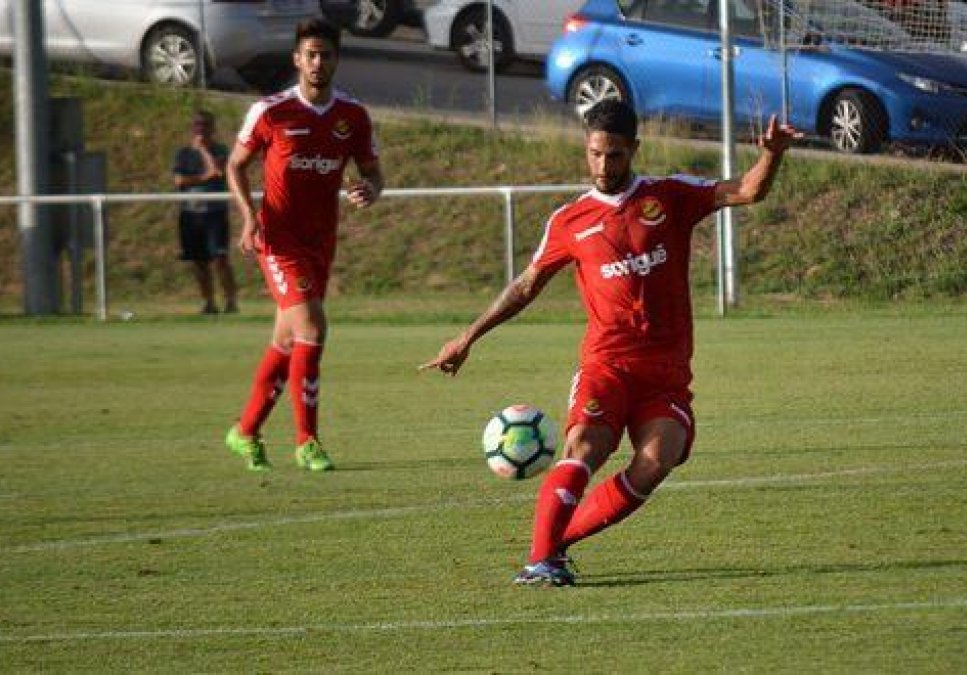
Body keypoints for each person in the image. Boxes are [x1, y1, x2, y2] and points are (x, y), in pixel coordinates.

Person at [422, 99, 801, 586]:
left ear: (634, 150)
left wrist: (771, 154)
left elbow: (748, 190)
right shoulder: (570, 221)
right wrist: (467, 336)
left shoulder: (670, 196)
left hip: (665, 376)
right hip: (608, 365)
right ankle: (540, 562)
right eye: (596, 154)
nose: (604, 165)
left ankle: (553, 546)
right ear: (587, 150)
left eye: (615, 155)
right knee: (583, 448)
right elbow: (525, 286)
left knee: (657, 460)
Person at [223, 18, 383, 472]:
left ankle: (246, 431)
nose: (317, 62)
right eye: (310, 54)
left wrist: (370, 189)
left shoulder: (352, 117)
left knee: (287, 340)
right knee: (312, 328)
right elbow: (234, 166)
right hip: (278, 239)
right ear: (297, 59)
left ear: (336, 60)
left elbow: (373, 172)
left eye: (326, 54)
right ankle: (306, 441)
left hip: (320, 242)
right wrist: (249, 217)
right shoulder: (271, 112)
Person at [172, 109, 238, 315]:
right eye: (197, 124)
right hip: (191, 214)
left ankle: (231, 301)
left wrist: (203, 151)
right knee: (199, 262)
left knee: (220, 259)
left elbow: (218, 173)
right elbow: (180, 180)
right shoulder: (183, 153)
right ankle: (209, 302)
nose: (201, 129)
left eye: (205, 124)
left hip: (214, 214)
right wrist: (204, 177)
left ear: (212, 127)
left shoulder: (220, 151)